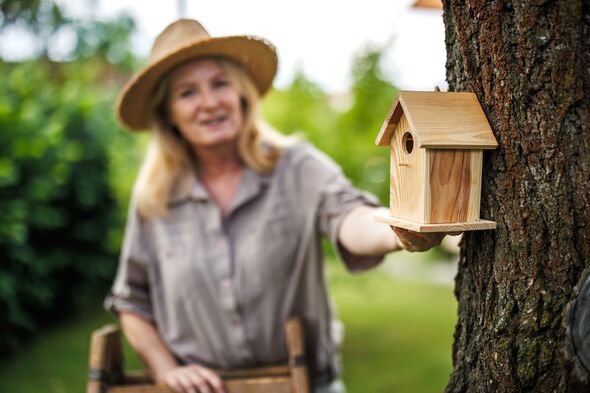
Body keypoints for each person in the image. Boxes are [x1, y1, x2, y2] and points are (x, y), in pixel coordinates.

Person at [105, 18, 444, 393]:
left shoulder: (296, 166)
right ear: (168, 113)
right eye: (187, 93)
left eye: (220, 83)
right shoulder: (155, 197)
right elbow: (131, 300)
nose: (209, 102)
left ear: (241, 94)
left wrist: (398, 229)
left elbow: (349, 215)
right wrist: (165, 368)